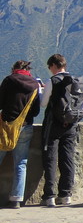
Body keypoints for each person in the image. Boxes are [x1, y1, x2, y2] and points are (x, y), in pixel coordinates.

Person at [40, 53, 83, 206]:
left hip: (53, 125)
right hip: (71, 125)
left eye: (49, 67)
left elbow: (44, 104)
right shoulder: (77, 82)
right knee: (67, 159)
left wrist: (42, 91)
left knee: (50, 159)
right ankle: (66, 195)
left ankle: (49, 196)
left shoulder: (52, 81)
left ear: (53, 66)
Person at [0, 60, 40, 209]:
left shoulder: (9, 80)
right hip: (25, 126)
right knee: (21, 163)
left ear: (14, 68)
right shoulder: (35, 84)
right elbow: (36, 111)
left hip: (6, 127)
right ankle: (16, 199)